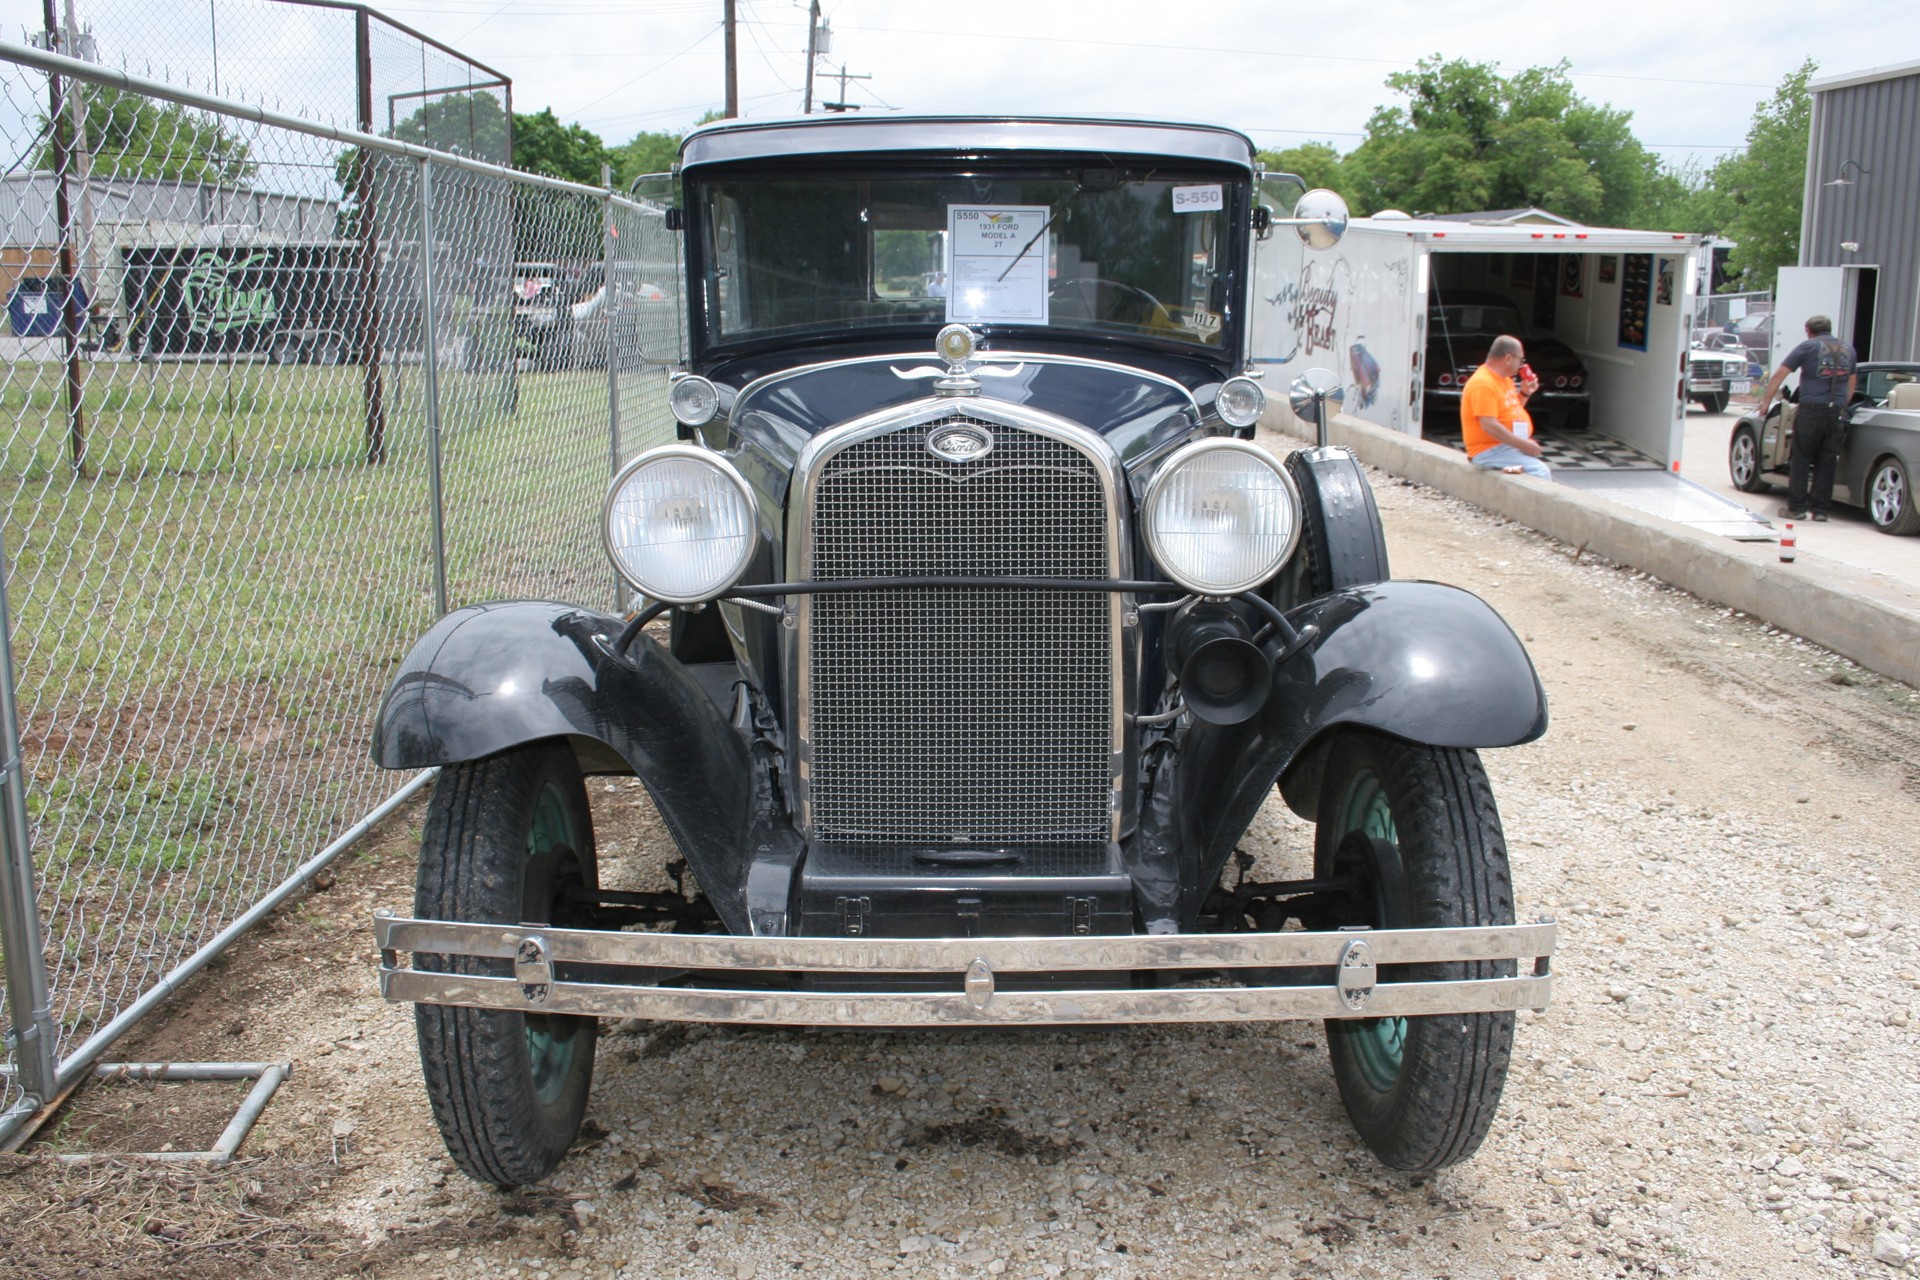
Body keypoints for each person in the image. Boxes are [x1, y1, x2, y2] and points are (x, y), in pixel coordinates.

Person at [1756, 315, 1857, 522]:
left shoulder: (1807, 347)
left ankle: (1797, 508)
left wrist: (1765, 402)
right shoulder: (1848, 350)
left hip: (1811, 410)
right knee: (1827, 460)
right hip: (1836, 411)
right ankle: (1820, 511)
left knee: (1801, 458)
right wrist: (1842, 405)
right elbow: (1852, 381)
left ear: (1809, 331)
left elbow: (1780, 374)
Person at [1460, 335, 1550, 479]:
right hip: (1488, 452)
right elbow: (1489, 425)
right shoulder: (1483, 383)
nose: (1521, 365)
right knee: (1539, 471)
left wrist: (1525, 393)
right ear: (1508, 358)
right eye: (1520, 360)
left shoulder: (1505, 380)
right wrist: (1524, 446)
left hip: (1503, 448)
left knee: (1532, 468)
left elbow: (1511, 411)